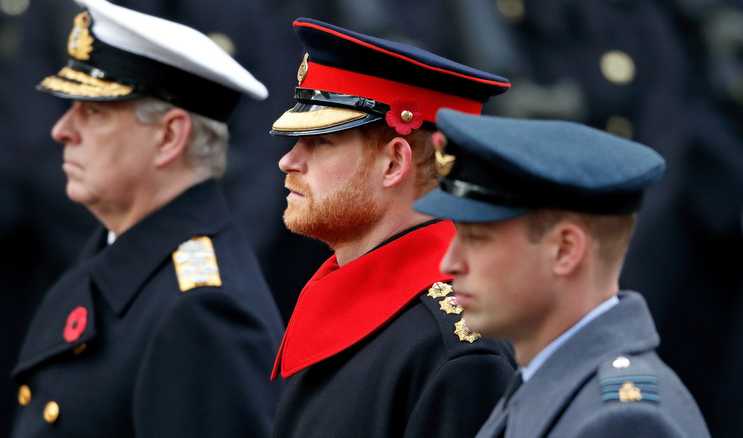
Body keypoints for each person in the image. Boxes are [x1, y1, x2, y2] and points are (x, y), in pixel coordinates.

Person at [9, 0, 284, 436]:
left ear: (170, 135)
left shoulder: (202, 312)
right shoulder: (120, 252)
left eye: (93, 112)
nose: (62, 130)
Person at [267, 17, 517, 438]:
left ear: (394, 163)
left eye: (320, 143)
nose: (288, 161)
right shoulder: (348, 299)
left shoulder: (455, 351)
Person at [413, 109, 711, 437]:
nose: (450, 264)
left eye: (477, 239)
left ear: (565, 250)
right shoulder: (547, 380)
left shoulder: (620, 423)